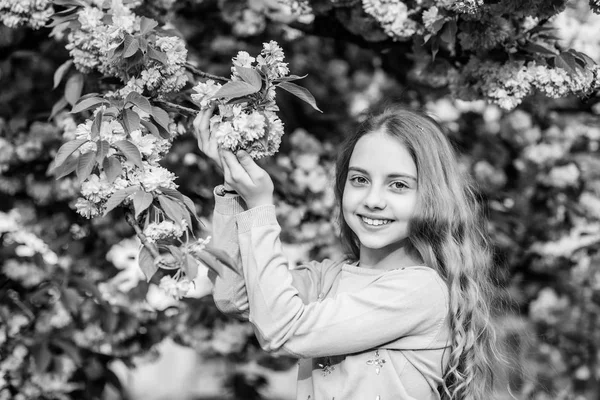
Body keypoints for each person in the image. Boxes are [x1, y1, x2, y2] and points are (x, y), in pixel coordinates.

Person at [193, 105, 499, 400]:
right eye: (360, 180)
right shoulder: (328, 278)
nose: (373, 199)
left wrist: (261, 206)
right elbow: (234, 295)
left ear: (432, 198)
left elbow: (281, 331)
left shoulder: (420, 291)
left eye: (399, 185)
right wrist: (234, 190)